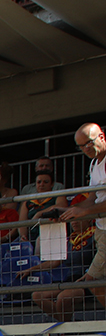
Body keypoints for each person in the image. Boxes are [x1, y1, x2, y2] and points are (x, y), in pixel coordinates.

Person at [60, 123, 106, 311]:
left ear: (102, 137)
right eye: (81, 146)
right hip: (102, 230)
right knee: (93, 280)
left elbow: (90, 206)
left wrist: (84, 212)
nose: (85, 148)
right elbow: (93, 198)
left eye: (89, 143)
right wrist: (69, 212)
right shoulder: (94, 163)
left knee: (92, 279)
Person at [18, 172, 68, 241]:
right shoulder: (28, 202)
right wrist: (23, 235)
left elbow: (61, 205)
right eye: (39, 182)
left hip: (51, 233)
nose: (42, 184)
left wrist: (39, 214)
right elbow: (22, 222)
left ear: (52, 184)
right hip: (31, 236)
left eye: (46, 182)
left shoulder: (57, 196)